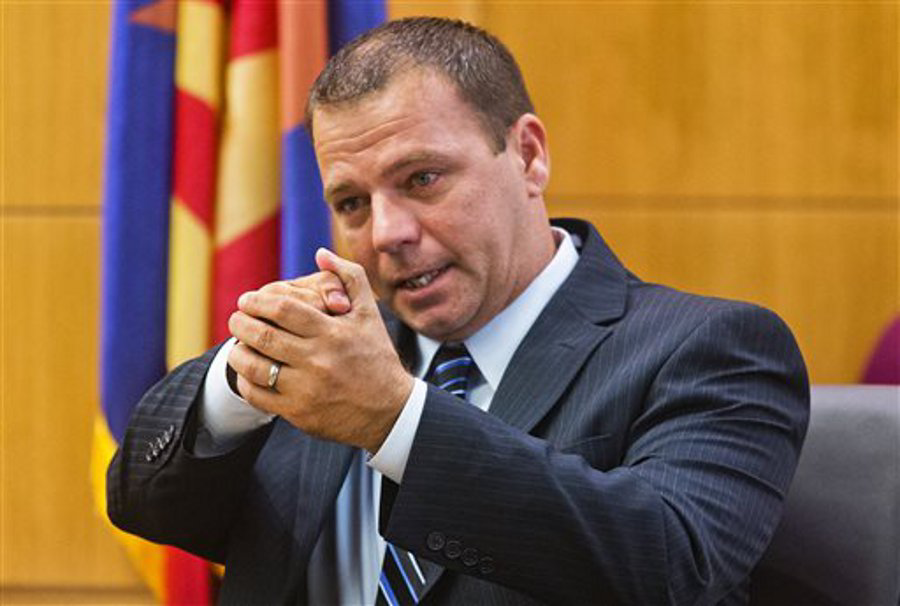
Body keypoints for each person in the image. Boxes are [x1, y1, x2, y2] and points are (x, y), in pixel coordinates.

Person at [107, 17, 810, 606]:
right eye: (351, 203)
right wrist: (241, 378)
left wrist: (394, 420)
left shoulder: (710, 347)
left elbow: (674, 568)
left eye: (422, 179)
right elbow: (142, 501)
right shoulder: (334, 348)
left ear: (528, 157)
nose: (386, 232)